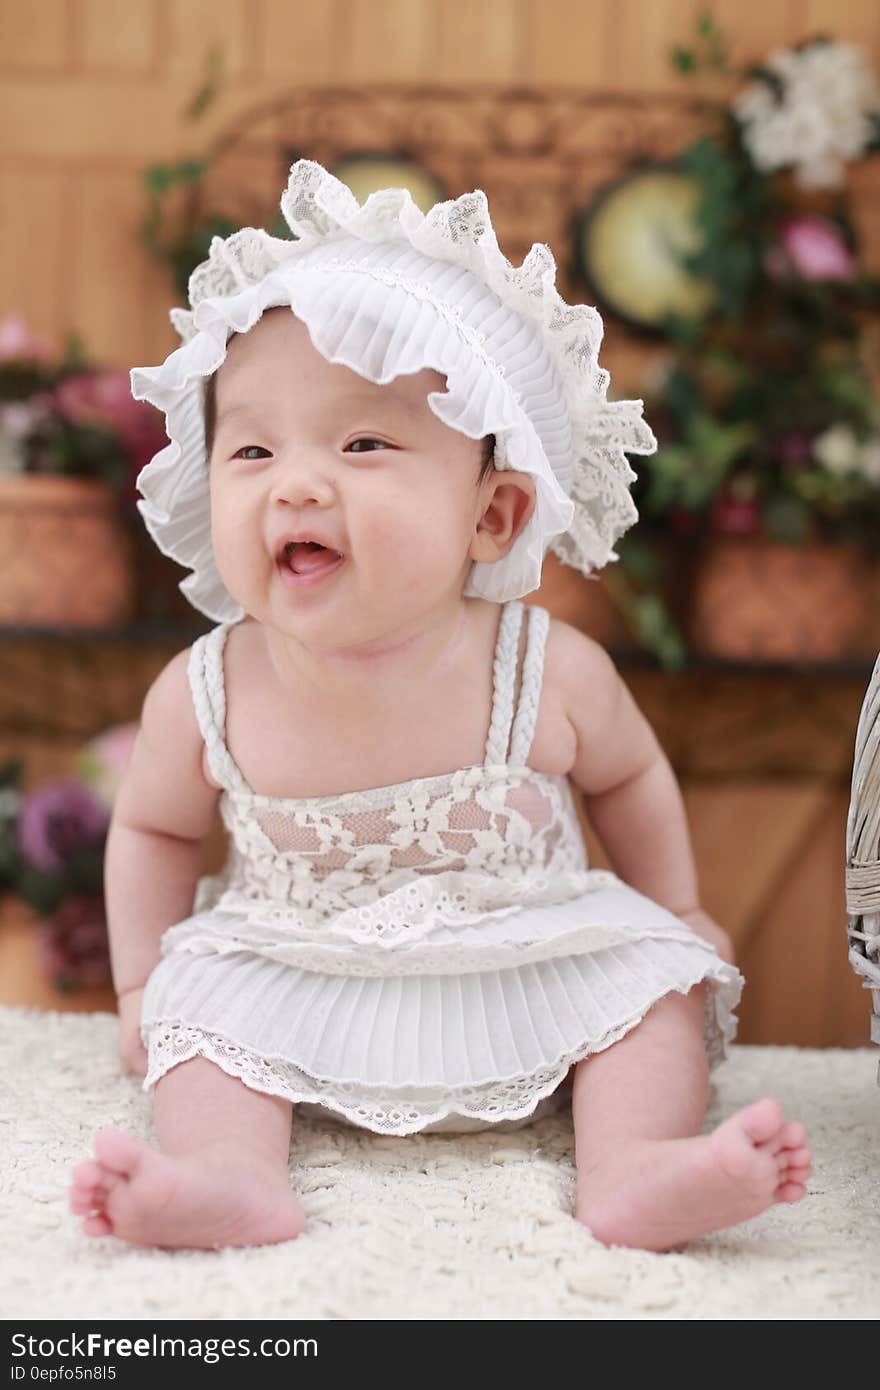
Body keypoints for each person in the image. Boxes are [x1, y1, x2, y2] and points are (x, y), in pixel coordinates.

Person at [69, 160, 811, 1253]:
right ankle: (227, 1175)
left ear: (495, 515)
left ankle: (633, 1166)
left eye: (363, 443)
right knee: (201, 1014)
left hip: (527, 950)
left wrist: (679, 903)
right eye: (254, 448)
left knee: (651, 991)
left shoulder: (539, 666)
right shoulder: (208, 686)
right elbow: (151, 828)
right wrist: (142, 985)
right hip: (297, 967)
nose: (298, 484)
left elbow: (629, 775)